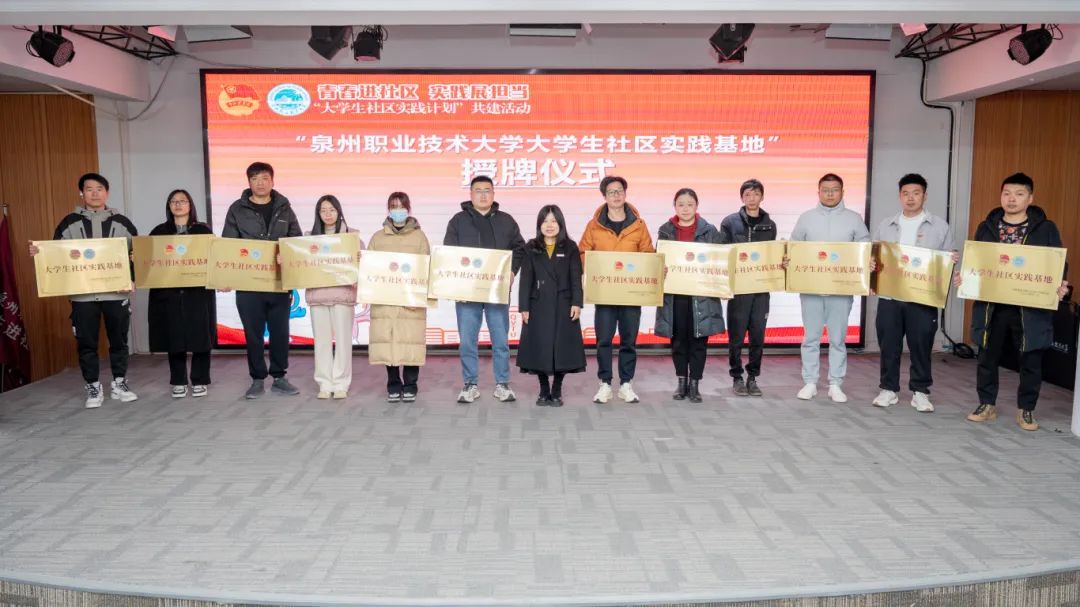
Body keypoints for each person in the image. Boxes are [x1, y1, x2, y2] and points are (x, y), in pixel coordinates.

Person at [960, 172, 1069, 431]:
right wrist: (965, 277)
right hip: (992, 305)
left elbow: (1058, 263)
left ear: (1030, 198)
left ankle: (1026, 409)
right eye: (1007, 193)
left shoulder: (1046, 228)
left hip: (1029, 307)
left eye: (1019, 194)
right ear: (1001, 196)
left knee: (1030, 358)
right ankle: (987, 404)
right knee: (987, 355)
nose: (1012, 199)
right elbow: (976, 261)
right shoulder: (986, 226)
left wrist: (1060, 283)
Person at [27, 173, 138, 408]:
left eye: (99, 188)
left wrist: (133, 277)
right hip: (82, 295)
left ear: (107, 192)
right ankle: (93, 386)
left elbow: (137, 254)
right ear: (81, 193)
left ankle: (119, 382)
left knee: (118, 340)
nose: (94, 193)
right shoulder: (69, 223)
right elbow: (55, 254)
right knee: (86, 342)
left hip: (116, 293)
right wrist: (40, 253)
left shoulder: (122, 223)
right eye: (89, 189)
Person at [870, 174, 956, 413]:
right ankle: (888, 389)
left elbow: (947, 260)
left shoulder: (939, 226)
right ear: (900, 196)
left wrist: (951, 259)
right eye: (906, 193)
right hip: (890, 296)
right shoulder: (886, 225)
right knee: (889, 345)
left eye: (916, 193)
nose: (911, 198)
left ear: (925, 196)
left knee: (921, 345)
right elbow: (873, 257)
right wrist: (871, 265)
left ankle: (920, 391)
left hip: (922, 298)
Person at [220, 161, 302, 400]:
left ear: (272, 181)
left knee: (280, 332)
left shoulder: (284, 207)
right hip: (248, 284)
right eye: (255, 179)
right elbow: (228, 245)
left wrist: (286, 254)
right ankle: (257, 379)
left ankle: (279, 377)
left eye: (265, 178)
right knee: (253, 334)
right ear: (249, 182)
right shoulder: (237, 209)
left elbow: (296, 240)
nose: (260, 183)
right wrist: (227, 277)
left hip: (278, 282)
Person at [789, 173, 871, 403]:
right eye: (825, 190)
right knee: (811, 337)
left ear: (842, 192)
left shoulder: (854, 219)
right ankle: (810, 382)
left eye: (835, 190)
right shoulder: (806, 218)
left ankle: (836, 383)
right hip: (811, 289)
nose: (830, 194)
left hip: (840, 290)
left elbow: (865, 248)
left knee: (837, 339)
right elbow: (793, 248)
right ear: (818, 192)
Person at [444, 175, 526, 404]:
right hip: (467, 292)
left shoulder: (506, 221)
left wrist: (512, 272)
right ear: (470, 194)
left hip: (496, 291)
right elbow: (449, 253)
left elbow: (519, 248)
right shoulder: (458, 221)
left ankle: (502, 383)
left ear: (493, 194)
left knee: (500, 340)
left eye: (487, 190)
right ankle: (470, 384)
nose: (483, 195)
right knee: (467, 341)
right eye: (478, 190)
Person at [579, 175, 656, 404]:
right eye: (611, 192)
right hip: (605, 293)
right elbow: (582, 253)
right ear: (604, 196)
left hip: (631, 294)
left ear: (625, 193)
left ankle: (626, 384)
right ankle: (604, 383)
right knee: (603, 339)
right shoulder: (594, 226)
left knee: (628, 340)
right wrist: (596, 267)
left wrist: (655, 267)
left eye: (619, 190)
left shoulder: (638, 225)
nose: (616, 195)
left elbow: (648, 254)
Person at [654, 189, 726, 403]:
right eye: (681, 204)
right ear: (675, 207)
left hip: (701, 295)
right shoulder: (666, 230)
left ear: (696, 206)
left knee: (698, 340)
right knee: (678, 340)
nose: (685, 209)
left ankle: (694, 384)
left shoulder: (709, 231)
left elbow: (720, 261)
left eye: (689, 204)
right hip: (675, 295)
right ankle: (681, 382)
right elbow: (658, 259)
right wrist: (660, 268)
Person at [517, 205, 587, 407]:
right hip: (537, 305)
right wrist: (524, 307)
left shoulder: (570, 247)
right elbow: (525, 279)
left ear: (560, 224)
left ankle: (556, 389)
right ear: (539, 224)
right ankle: (543, 389)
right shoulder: (531, 247)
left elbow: (576, 278)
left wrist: (577, 302)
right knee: (539, 347)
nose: (549, 225)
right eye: (545, 221)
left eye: (553, 221)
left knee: (562, 348)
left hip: (563, 304)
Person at [147, 189, 214, 399]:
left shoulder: (203, 231)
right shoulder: (159, 232)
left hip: (197, 293)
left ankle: (200, 379)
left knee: (200, 335)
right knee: (173, 335)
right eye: (173, 201)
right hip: (169, 292)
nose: (178, 204)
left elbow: (215, 257)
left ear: (190, 205)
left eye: (183, 201)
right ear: (169, 206)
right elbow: (148, 260)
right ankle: (178, 380)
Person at [368, 192, 430, 402]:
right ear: (388, 210)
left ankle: (411, 384)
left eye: (401, 206)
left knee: (411, 341)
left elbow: (426, 266)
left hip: (410, 299)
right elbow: (370, 269)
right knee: (389, 341)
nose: (397, 210)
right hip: (385, 300)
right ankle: (393, 384)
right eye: (393, 206)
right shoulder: (378, 237)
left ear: (408, 209)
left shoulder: (419, 237)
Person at [719, 179, 778, 397]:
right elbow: (722, 253)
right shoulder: (730, 222)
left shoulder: (770, 224)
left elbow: (771, 255)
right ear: (741, 197)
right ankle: (737, 377)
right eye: (747, 194)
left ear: (762, 196)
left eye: (755, 194)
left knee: (757, 335)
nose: (751, 198)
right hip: (739, 288)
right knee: (736, 336)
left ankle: (753, 377)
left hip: (761, 289)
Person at [306, 195, 361, 400]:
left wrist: (360, 260)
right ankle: (324, 383)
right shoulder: (308, 239)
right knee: (321, 342)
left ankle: (341, 383)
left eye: (332, 210)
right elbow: (300, 266)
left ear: (339, 212)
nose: (328, 214)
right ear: (318, 214)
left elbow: (362, 267)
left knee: (344, 342)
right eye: (323, 210)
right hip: (318, 295)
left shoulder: (352, 237)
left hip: (343, 295)